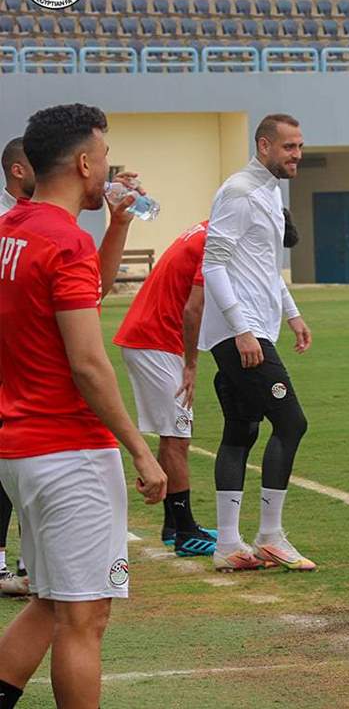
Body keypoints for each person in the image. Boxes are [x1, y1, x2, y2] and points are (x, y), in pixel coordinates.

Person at [0, 103, 167, 709]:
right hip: (69, 451)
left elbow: (79, 295)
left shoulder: (13, 227)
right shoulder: (64, 239)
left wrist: (117, 226)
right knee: (84, 617)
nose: (108, 169)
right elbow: (89, 363)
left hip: (22, 447)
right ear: (83, 163)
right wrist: (141, 450)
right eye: (103, 156)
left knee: (51, 603)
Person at [200, 114, 313, 573]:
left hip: (254, 328)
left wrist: (292, 313)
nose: (297, 155)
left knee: (242, 429)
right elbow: (213, 264)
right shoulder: (239, 192)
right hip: (241, 334)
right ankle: (270, 536)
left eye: (299, 146)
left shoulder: (269, 191)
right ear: (264, 146)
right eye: (289, 147)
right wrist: (242, 329)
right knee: (291, 423)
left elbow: (264, 266)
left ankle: (228, 544)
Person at [113, 221, 217, 556]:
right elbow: (193, 308)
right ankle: (186, 532)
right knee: (177, 437)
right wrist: (192, 364)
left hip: (149, 337)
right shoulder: (218, 240)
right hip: (155, 341)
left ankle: (173, 526)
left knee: (173, 433)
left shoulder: (206, 229)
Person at [0, 138, 34, 597]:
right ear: (18, 171)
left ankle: (30, 561)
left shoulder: (44, 217)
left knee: (27, 461)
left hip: (26, 359)